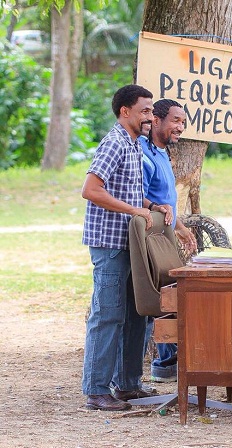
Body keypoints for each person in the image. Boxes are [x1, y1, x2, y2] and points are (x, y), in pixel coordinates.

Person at [81, 84, 156, 411]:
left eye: (151, 111)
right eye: (144, 111)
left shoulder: (135, 144)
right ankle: (96, 391)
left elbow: (126, 191)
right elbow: (91, 189)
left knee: (136, 314)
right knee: (108, 315)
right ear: (125, 111)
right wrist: (135, 211)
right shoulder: (114, 143)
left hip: (130, 245)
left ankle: (127, 385)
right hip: (110, 245)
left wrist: (153, 205)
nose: (150, 117)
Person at [140, 99, 197, 383]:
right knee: (162, 297)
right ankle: (164, 362)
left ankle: (168, 361)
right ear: (157, 121)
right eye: (175, 120)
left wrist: (180, 227)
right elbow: (136, 195)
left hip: (166, 233)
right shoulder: (143, 151)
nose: (180, 127)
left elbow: (165, 200)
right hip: (149, 238)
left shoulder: (163, 152)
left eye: (183, 122)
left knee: (171, 293)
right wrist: (156, 211)